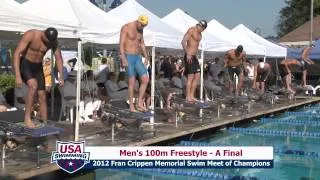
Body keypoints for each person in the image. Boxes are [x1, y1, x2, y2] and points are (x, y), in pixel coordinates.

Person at [13, 27, 64, 128]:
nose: (47, 43)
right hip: (25, 63)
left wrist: (61, 75)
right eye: (46, 40)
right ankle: (27, 118)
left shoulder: (53, 42)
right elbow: (16, 54)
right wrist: (18, 75)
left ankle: (44, 122)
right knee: (33, 85)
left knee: (42, 95)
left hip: (38, 66)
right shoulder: (31, 35)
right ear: (44, 34)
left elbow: (58, 58)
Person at [119, 15, 149, 112]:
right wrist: (123, 58)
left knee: (145, 79)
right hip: (128, 56)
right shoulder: (126, 27)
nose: (143, 27)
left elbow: (142, 43)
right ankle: (131, 106)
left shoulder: (141, 30)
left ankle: (139, 102)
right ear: (138, 21)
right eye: (142, 25)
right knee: (131, 82)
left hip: (137, 57)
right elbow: (121, 44)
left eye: (145, 26)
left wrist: (146, 57)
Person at [181, 20, 207, 103]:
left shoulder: (200, 34)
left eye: (203, 29)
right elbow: (183, 42)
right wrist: (187, 53)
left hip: (194, 57)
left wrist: (196, 55)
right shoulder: (191, 30)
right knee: (191, 77)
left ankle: (192, 95)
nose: (202, 30)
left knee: (198, 76)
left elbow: (196, 46)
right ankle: (187, 96)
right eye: (202, 28)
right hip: (189, 56)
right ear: (200, 25)